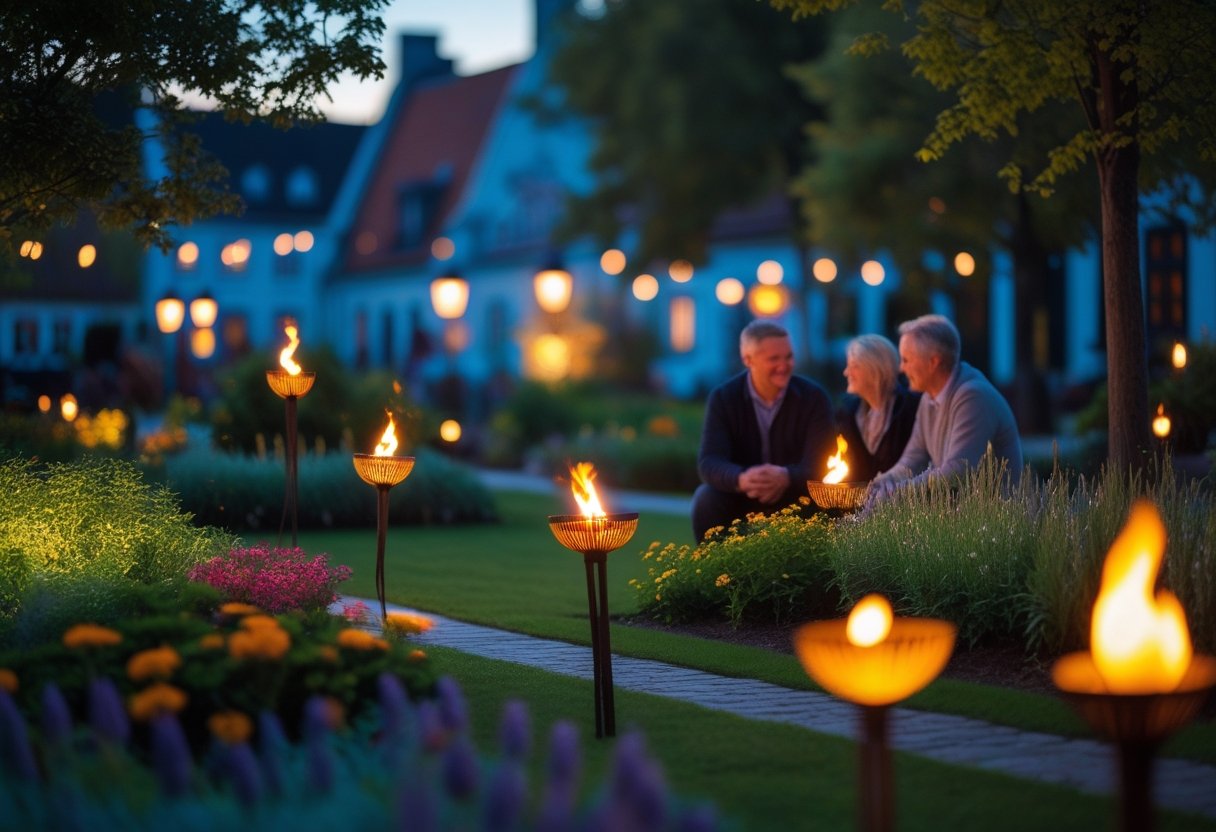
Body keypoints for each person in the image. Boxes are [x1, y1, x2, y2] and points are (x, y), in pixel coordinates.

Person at [692, 320, 836, 541]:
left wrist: (787, 476)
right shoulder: (724, 398)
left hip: (797, 494)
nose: (784, 365)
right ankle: (715, 573)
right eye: (774, 359)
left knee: (830, 498)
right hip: (743, 495)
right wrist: (741, 478)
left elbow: (822, 462)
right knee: (706, 498)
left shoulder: (813, 398)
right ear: (748, 360)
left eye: (788, 357)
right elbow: (709, 462)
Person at [871, 314, 1022, 498]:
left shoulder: (973, 397)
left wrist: (895, 493)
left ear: (933, 362)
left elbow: (957, 471)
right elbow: (912, 460)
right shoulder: (929, 398)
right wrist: (879, 484)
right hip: (964, 515)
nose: (901, 368)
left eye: (906, 360)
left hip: (994, 519)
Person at [837, 334, 921, 481]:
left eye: (854, 366)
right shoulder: (848, 414)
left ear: (876, 369)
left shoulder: (911, 408)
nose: (846, 372)